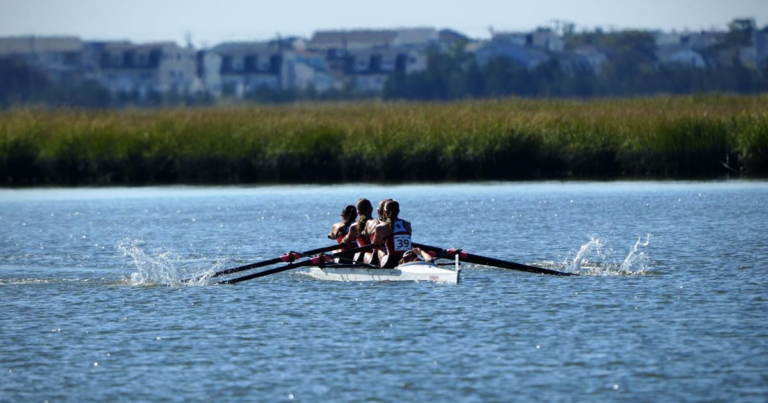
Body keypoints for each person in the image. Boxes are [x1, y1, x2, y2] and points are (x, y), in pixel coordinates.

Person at [372, 200, 413, 268]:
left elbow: (376, 245)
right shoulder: (407, 224)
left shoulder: (380, 228)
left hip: (391, 263)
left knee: (378, 250)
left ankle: (373, 266)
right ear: (398, 211)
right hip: (408, 259)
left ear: (385, 212)